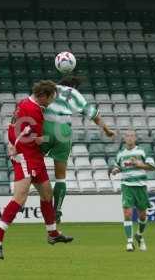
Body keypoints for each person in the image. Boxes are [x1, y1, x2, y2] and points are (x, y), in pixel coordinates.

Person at [0, 80, 73, 260]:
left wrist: (12, 143)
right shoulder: (34, 111)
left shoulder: (23, 103)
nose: (51, 102)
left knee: (47, 194)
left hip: (32, 156)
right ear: (43, 96)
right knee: (20, 198)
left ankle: (52, 233)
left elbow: (13, 128)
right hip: (26, 157)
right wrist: (51, 138)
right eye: (51, 99)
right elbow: (36, 139)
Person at [40, 75, 115, 222]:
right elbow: (94, 114)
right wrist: (106, 130)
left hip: (46, 126)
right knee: (60, 176)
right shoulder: (74, 94)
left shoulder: (50, 89)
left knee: (32, 163)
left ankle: (22, 194)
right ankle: (57, 211)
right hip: (63, 131)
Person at [110, 130, 155, 252]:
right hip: (127, 186)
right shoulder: (120, 154)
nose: (129, 138)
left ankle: (139, 235)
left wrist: (139, 164)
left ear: (135, 138)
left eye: (132, 136)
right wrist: (115, 170)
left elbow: (153, 167)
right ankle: (129, 242)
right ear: (124, 139)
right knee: (127, 214)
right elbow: (117, 166)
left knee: (142, 215)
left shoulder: (142, 151)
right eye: (127, 136)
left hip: (140, 186)